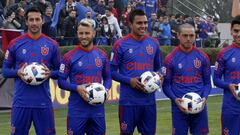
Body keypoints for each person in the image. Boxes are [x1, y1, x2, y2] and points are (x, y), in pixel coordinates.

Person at [2, 7, 60, 135]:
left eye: (37, 19)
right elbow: (5, 71)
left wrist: (50, 73)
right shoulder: (15, 43)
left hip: (43, 103)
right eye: (31, 20)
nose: (34, 23)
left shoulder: (52, 44)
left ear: (42, 21)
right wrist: (17, 72)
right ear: (26, 22)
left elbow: (60, 73)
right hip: (21, 103)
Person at [111, 9, 163, 135]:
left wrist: (160, 76)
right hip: (128, 102)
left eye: (145, 23)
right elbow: (111, 71)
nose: (143, 26)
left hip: (149, 102)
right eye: (139, 23)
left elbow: (160, 67)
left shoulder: (154, 43)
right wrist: (130, 81)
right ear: (130, 24)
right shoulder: (120, 44)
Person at [58, 19, 112, 135]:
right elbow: (61, 81)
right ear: (77, 33)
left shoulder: (102, 56)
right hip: (77, 110)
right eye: (81, 33)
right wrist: (77, 88)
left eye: (87, 33)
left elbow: (108, 78)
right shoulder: (68, 56)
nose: (83, 36)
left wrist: (106, 90)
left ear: (93, 33)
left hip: (97, 110)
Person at [162, 23, 211, 135]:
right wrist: (175, 99)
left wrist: (204, 97)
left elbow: (208, 83)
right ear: (178, 35)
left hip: (200, 107)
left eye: (191, 35)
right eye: (185, 35)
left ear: (195, 36)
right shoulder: (170, 58)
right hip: (179, 108)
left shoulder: (203, 57)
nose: (188, 39)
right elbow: (166, 85)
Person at [213, 15, 240, 135]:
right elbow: (216, 79)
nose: (239, 34)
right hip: (231, 107)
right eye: (236, 31)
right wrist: (229, 85)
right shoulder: (224, 53)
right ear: (231, 31)